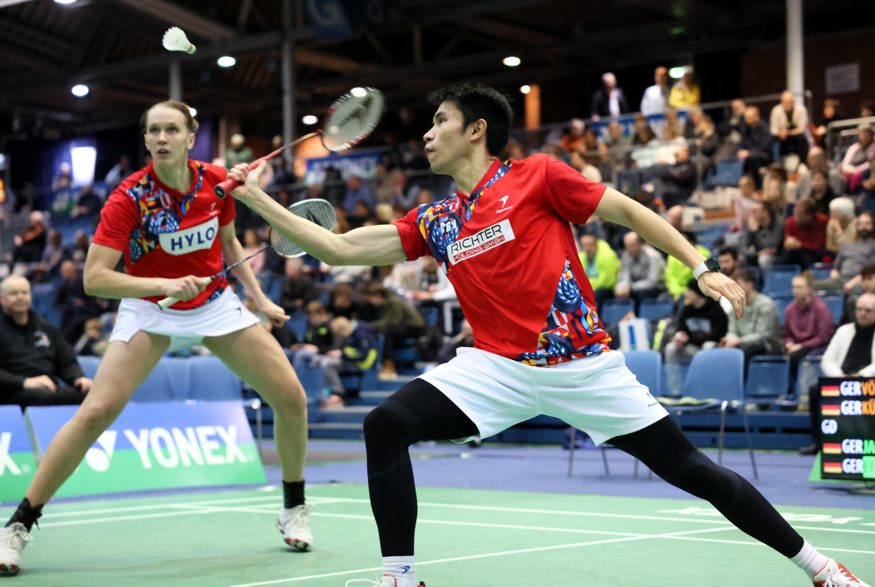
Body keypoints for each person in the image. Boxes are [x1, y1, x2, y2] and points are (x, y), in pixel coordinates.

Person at [225, 82, 869, 587]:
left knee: (690, 469)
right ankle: (400, 575)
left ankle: (821, 568)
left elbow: (629, 210)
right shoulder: (438, 218)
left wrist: (700, 267)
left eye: (439, 122)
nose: (426, 134)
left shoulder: (538, 176)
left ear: (477, 130)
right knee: (384, 424)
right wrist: (255, 199)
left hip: (584, 364)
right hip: (495, 368)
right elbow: (337, 249)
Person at [0, 100, 313, 577]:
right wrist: (160, 285)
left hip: (214, 303)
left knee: (291, 397)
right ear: (145, 140)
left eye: (173, 129)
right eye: (154, 131)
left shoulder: (217, 182)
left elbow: (228, 244)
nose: (163, 138)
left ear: (191, 137)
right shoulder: (128, 198)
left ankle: (294, 506)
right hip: (151, 309)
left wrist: (258, 300)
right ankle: (18, 525)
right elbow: (96, 279)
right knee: (97, 411)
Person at [799, 293, 875, 456]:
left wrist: (861, 375)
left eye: (868, 310)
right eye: (859, 309)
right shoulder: (843, 331)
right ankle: (820, 443)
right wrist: (838, 375)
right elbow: (827, 359)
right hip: (840, 381)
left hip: (869, 383)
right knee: (815, 390)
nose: (862, 313)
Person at [0, 275, 92, 407]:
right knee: (43, 396)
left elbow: (67, 362)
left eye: (24, 292)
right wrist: (24, 382)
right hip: (11, 392)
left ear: (30, 297)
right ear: (2, 299)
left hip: (48, 389)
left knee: (91, 397)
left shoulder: (46, 328)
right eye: (14, 293)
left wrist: (78, 378)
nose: (20, 297)